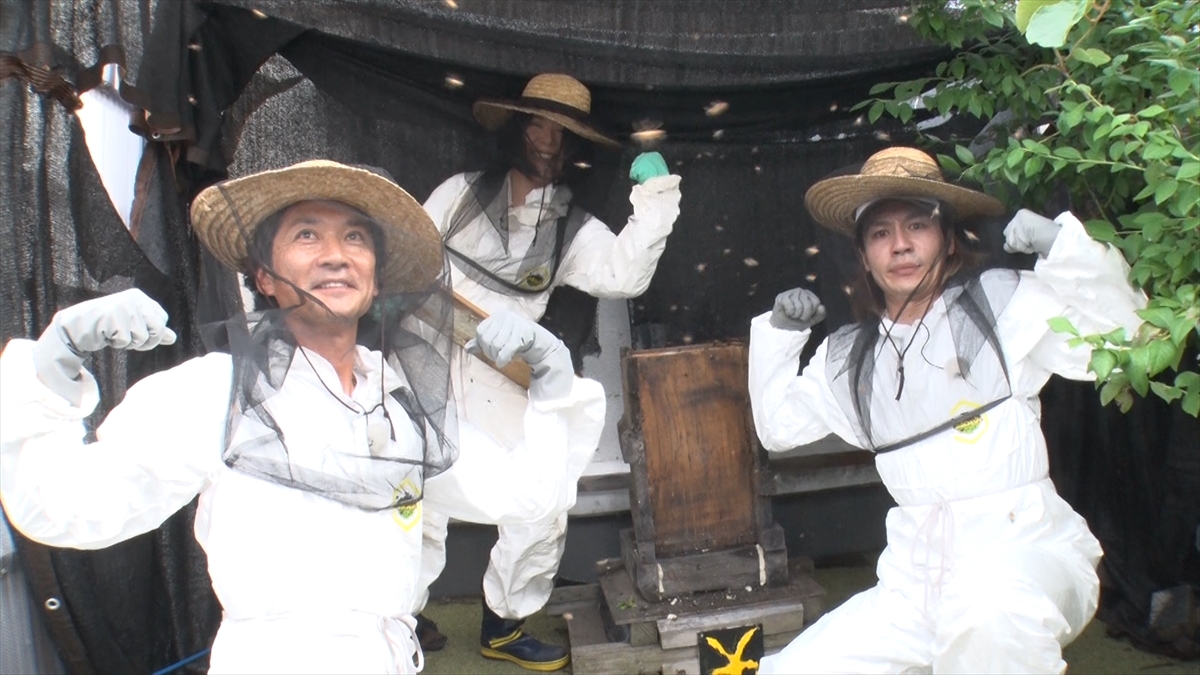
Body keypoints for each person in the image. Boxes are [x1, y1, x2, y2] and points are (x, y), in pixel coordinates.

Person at [0, 160, 606, 674]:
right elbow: (61, 508)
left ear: (376, 279)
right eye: (307, 235)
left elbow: (525, 496)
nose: (337, 255)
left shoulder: (397, 404)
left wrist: (554, 384)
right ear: (265, 276)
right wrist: (51, 369)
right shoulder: (215, 393)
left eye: (356, 238)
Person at [748, 147, 1146, 674]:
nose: (901, 245)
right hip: (914, 589)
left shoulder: (1004, 306)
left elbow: (1125, 343)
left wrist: (1066, 248)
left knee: (985, 618)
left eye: (917, 225)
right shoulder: (849, 359)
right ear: (863, 255)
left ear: (949, 239)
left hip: (1025, 559)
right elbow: (778, 428)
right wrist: (780, 335)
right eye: (881, 233)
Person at [414, 72, 682, 670]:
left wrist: (657, 197)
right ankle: (399, 614)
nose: (548, 140)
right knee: (411, 493)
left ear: (575, 147)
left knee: (545, 494)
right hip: (423, 360)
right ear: (516, 128)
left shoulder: (572, 226)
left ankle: (504, 626)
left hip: (504, 377)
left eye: (562, 132)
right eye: (538, 124)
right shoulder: (458, 193)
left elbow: (625, 275)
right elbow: (407, 260)